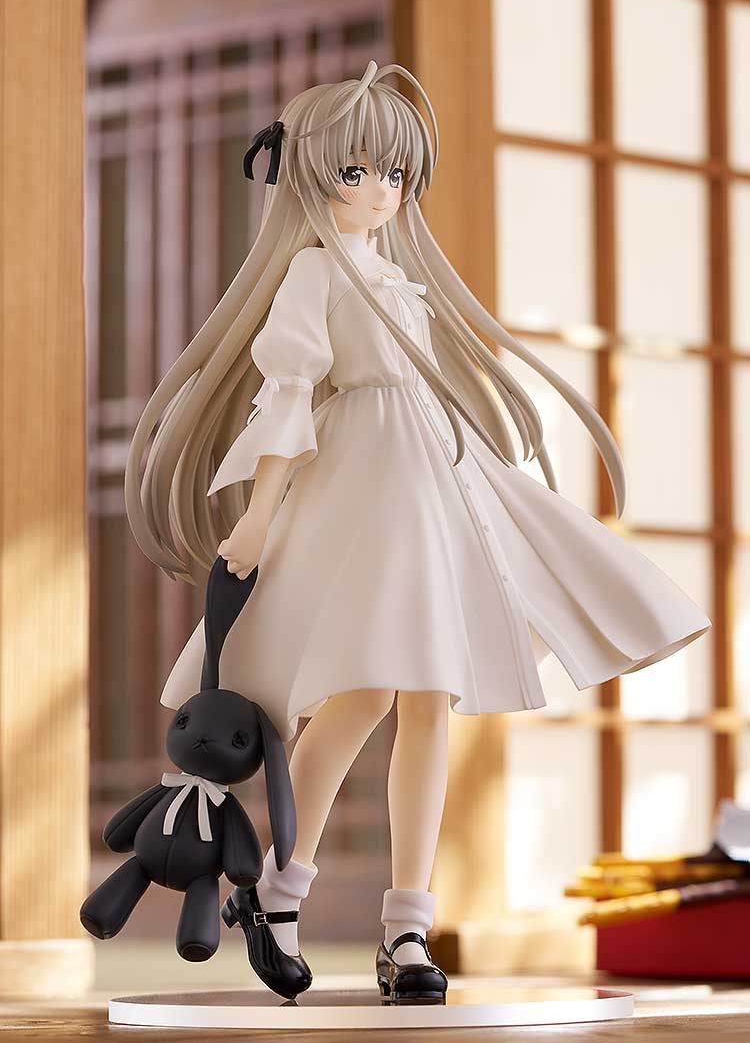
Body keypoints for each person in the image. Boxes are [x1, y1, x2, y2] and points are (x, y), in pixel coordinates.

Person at [125, 60, 711, 1001]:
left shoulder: (397, 277)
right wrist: (261, 517)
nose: (380, 191)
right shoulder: (315, 271)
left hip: (433, 477)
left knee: (431, 695)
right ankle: (279, 890)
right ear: (311, 175)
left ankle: (407, 927)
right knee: (358, 696)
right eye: (357, 172)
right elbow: (288, 395)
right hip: (362, 485)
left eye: (395, 174)